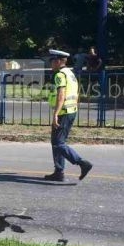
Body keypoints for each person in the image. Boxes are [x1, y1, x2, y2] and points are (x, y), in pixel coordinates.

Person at [45, 49, 93, 182]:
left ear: (59, 61)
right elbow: (76, 94)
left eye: (52, 61)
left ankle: (82, 163)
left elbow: (61, 95)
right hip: (71, 111)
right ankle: (58, 172)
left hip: (63, 113)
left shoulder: (60, 75)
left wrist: (55, 114)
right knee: (58, 143)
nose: (51, 63)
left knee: (58, 143)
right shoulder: (70, 73)